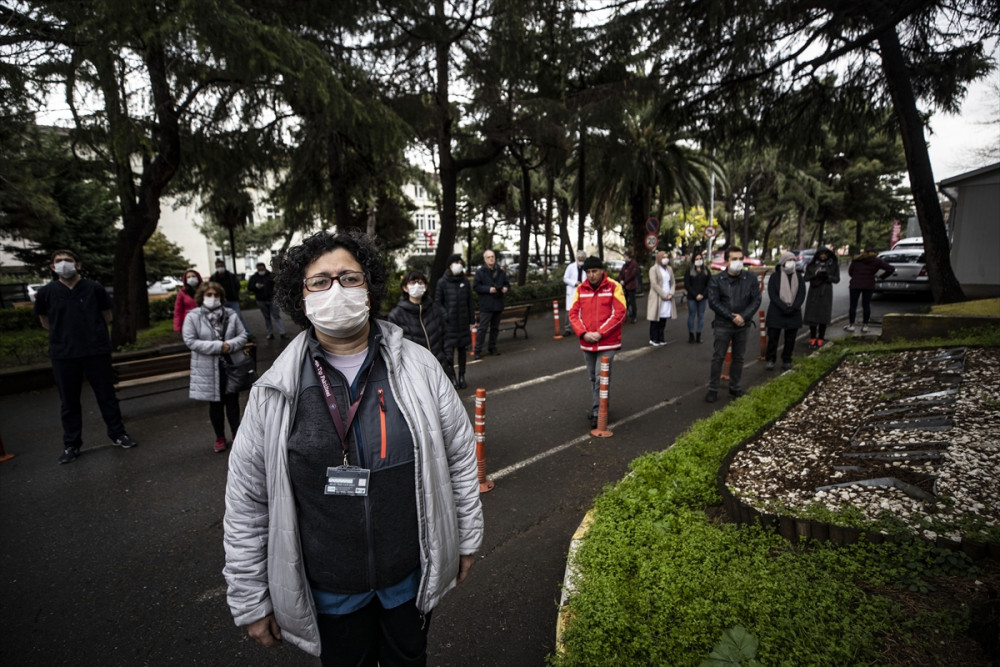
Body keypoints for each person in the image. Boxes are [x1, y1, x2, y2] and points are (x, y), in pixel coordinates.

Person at [223, 229, 483, 665]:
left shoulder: (421, 368)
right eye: (320, 281)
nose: (336, 289)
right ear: (300, 295)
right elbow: (248, 502)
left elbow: (458, 459)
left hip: (407, 578)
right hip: (329, 590)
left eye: (349, 277)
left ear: (370, 286)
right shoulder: (275, 389)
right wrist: (250, 598)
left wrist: (467, 539)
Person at [33, 249, 137, 464]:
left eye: (68, 260)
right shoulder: (46, 293)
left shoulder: (94, 288)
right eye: (59, 261)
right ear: (53, 267)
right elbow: (45, 321)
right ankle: (72, 444)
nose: (64, 264)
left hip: (95, 351)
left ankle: (118, 434)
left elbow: (106, 315)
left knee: (106, 396)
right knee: (69, 402)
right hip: (64, 354)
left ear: (78, 265)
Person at [182, 281, 248, 453]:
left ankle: (237, 434)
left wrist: (230, 345)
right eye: (209, 295)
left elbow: (243, 335)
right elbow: (190, 340)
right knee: (215, 404)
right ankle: (219, 437)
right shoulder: (193, 316)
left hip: (230, 365)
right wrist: (219, 347)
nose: (212, 298)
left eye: (216, 295)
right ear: (201, 297)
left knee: (233, 401)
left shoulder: (230, 314)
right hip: (208, 368)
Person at [569, 256, 627, 428]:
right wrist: (584, 333)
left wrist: (600, 333)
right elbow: (573, 314)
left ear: (602, 270)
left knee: (602, 377)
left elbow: (620, 313)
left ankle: (598, 412)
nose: (591, 275)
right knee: (593, 378)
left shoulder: (614, 287)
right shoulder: (581, 289)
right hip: (587, 341)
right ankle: (600, 407)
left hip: (607, 342)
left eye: (594, 271)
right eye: (588, 272)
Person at [705, 246, 762, 403]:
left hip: (743, 324)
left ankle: (735, 388)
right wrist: (731, 317)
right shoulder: (717, 279)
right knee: (718, 357)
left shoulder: (750, 278)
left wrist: (744, 316)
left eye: (740, 259)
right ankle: (713, 389)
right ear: (726, 261)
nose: (738, 262)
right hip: (723, 324)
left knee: (739, 358)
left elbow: (756, 299)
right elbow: (714, 302)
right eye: (734, 259)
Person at [388, 270, 456, 384]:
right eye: (412, 283)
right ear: (405, 288)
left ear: (425, 286)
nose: (417, 286)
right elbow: (395, 348)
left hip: (440, 367)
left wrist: (448, 358)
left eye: (420, 282)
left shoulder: (435, 309)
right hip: (415, 374)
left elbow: (445, 335)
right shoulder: (396, 316)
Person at [435, 254, 475, 389]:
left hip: (463, 323)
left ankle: (462, 376)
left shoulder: (464, 281)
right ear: (450, 265)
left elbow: (470, 301)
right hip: (449, 325)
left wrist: (471, 320)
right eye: (456, 262)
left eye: (460, 262)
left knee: (463, 351)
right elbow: (437, 303)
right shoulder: (442, 282)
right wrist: (446, 315)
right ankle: (452, 377)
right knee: (449, 353)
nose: (459, 264)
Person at [765, 251, 806, 371]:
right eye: (789, 260)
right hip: (777, 311)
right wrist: (783, 307)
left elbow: (801, 293)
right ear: (783, 262)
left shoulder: (798, 276)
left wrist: (793, 307)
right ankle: (770, 359)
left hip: (794, 311)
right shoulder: (775, 276)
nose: (791, 263)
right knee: (773, 338)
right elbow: (772, 294)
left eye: (793, 260)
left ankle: (787, 359)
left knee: (790, 338)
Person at [472, 249, 510, 359]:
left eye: (492, 256)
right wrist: (489, 289)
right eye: (488, 257)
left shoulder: (501, 272)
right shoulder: (480, 272)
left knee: (495, 328)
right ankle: (477, 350)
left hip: (498, 303)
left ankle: (492, 347)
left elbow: (507, 284)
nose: (491, 259)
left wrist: (505, 288)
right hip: (487, 305)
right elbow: (476, 287)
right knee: (482, 328)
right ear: (485, 259)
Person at [845, 249, 895, 333]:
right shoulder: (877, 261)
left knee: (853, 305)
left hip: (855, 284)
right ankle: (865, 326)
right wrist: (881, 276)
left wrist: (857, 275)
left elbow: (850, 272)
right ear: (875, 254)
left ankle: (851, 325)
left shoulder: (857, 260)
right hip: (869, 285)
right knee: (866, 305)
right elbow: (891, 269)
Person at [802, 246, 840, 349]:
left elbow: (837, 279)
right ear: (817, 255)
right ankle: (813, 337)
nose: (823, 256)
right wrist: (814, 275)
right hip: (813, 292)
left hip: (826, 292)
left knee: (823, 316)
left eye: (825, 254)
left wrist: (828, 276)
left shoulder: (833, 265)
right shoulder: (812, 265)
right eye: (821, 254)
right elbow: (805, 278)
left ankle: (821, 338)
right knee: (812, 316)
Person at [247, 262, 289, 341]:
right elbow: (250, 287)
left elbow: (277, 285)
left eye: (262, 268)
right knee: (267, 317)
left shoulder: (271, 276)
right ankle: (270, 333)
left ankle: (282, 333)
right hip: (261, 300)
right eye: (259, 268)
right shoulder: (254, 277)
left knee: (276, 316)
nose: (261, 270)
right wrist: (255, 286)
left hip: (272, 299)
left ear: (264, 268)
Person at [213, 259, 251, 337]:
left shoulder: (231, 276)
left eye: (221, 266)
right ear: (216, 267)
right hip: (220, 302)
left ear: (224, 266)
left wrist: (235, 295)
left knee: (238, 317)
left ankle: (247, 334)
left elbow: (237, 286)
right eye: (218, 266)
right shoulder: (214, 278)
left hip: (233, 301)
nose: (220, 267)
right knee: (222, 320)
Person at [646, 250, 677, 346]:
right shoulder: (653, 269)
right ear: (659, 258)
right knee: (655, 319)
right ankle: (653, 338)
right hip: (657, 297)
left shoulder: (669, 269)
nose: (665, 259)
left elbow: (672, 282)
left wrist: (671, 293)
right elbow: (654, 284)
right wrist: (664, 295)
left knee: (663, 318)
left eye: (667, 257)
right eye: (663, 257)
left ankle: (661, 338)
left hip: (668, 297)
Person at [683, 251, 711, 343]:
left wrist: (703, 294)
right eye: (696, 259)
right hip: (692, 297)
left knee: (701, 316)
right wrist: (696, 295)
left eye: (700, 259)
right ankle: (691, 335)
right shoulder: (689, 271)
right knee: (692, 315)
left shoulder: (706, 271)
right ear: (693, 260)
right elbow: (687, 284)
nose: (699, 260)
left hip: (703, 297)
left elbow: (710, 284)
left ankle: (699, 335)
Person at [562, 250, 587, 335]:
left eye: (582, 260)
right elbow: (565, 278)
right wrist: (574, 283)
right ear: (577, 258)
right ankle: (567, 329)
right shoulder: (570, 267)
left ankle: (581, 327)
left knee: (582, 310)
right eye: (579, 259)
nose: (581, 261)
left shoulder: (586, 268)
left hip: (582, 291)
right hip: (572, 290)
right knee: (569, 310)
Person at [618, 250, 640, 324]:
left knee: (632, 302)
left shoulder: (634, 264)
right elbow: (621, 273)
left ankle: (634, 316)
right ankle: (625, 315)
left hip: (631, 286)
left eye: (625, 257)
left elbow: (632, 275)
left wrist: (624, 281)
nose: (624, 258)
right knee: (625, 302)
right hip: (625, 286)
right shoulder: (625, 265)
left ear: (628, 257)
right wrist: (621, 280)